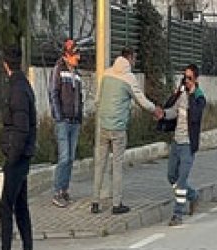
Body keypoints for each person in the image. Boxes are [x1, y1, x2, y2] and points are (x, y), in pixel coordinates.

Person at [91, 48, 163, 215]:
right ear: (129, 58)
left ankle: (95, 202)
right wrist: (155, 110)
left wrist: (103, 116)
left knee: (99, 163)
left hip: (103, 126)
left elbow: (97, 100)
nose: (134, 62)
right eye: (134, 59)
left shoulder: (107, 74)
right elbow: (142, 101)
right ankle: (117, 204)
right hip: (118, 128)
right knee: (116, 165)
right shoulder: (128, 78)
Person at [0, 47, 37, 250]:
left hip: (17, 157)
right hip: (22, 155)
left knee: (5, 207)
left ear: (5, 64)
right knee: (21, 205)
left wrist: (11, 155)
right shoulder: (23, 85)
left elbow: (20, 127)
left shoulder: (16, 89)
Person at [166, 64, 206, 227]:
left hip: (188, 145)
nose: (186, 80)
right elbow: (173, 111)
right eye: (185, 77)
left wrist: (189, 95)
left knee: (181, 181)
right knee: (172, 177)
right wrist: (162, 113)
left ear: (195, 79)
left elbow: (195, 116)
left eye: (189, 78)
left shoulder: (199, 98)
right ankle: (193, 195)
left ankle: (177, 214)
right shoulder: (181, 95)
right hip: (176, 142)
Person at [48, 39, 84, 208]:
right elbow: (53, 93)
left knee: (70, 158)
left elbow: (79, 98)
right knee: (64, 157)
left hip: (75, 121)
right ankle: (57, 192)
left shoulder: (76, 74)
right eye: (75, 54)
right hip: (64, 121)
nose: (78, 56)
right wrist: (58, 116)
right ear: (66, 55)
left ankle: (64, 190)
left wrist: (80, 117)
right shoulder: (58, 70)